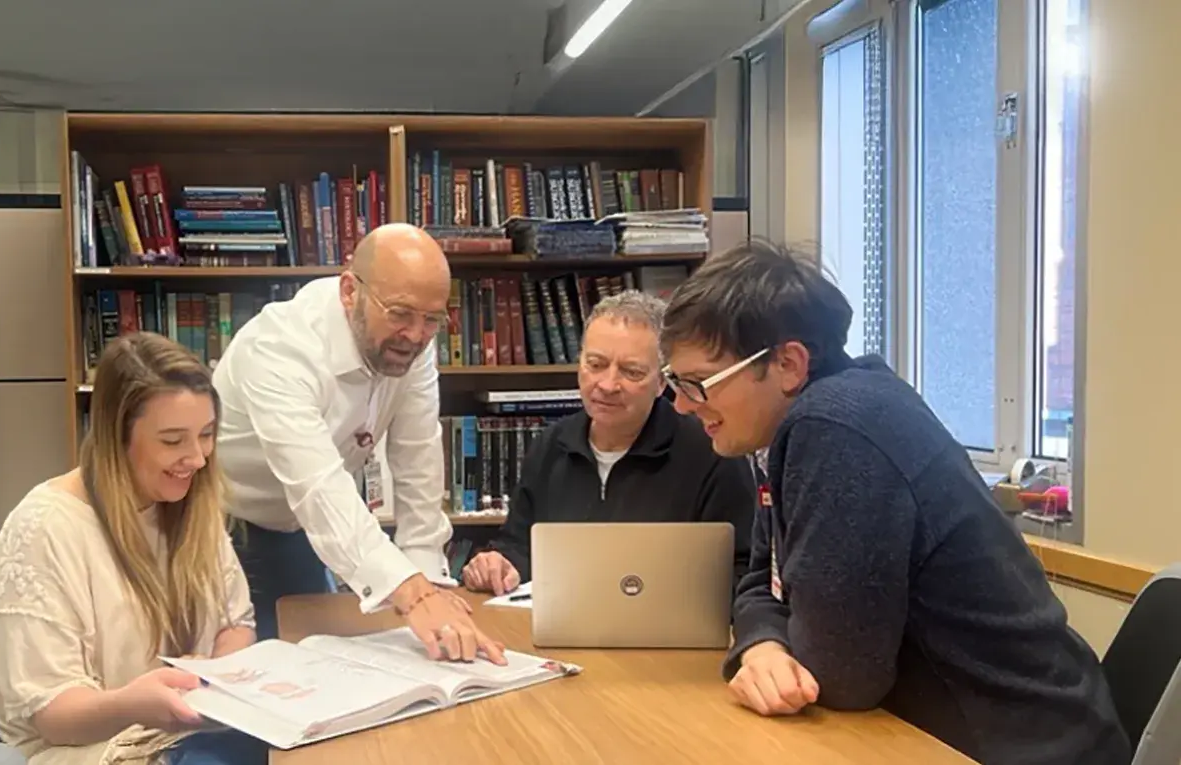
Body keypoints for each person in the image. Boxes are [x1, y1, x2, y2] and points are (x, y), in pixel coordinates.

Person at [658, 240, 1130, 765]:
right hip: (949, 732)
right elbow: (759, 583)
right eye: (675, 383)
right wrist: (763, 645)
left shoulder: (836, 426)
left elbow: (841, 676)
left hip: (1020, 747)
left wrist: (774, 642)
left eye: (698, 384)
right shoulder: (779, 427)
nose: (681, 405)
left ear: (788, 364)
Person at [212, 222, 505, 665]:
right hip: (217, 526)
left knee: (320, 668)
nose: (416, 335)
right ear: (350, 290)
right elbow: (319, 487)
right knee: (244, 679)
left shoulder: (416, 344)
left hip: (295, 531)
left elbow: (419, 462)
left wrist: (429, 585)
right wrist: (410, 593)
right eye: (401, 314)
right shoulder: (279, 348)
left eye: (432, 320)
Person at [0, 332, 267, 765]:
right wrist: (136, 702)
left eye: (206, 434)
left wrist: (214, 675)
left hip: (191, 734)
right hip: (92, 751)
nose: (197, 458)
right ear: (116, 437)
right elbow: (52, 715)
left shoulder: (190, 501)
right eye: (172, 441)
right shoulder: (45, 530)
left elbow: (235, 623)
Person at [461, 289, 758, 595]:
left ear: (661, 382)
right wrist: (499, 564)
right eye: (596, 364)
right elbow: (519, 546)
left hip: (669, 636)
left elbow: (743, 571)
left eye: (631, 372)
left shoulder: (711, 452)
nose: (607, 385)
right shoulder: (550, 445)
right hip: (558, 631)